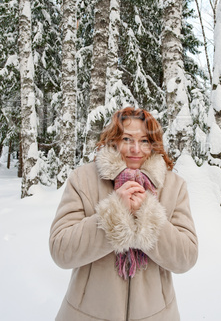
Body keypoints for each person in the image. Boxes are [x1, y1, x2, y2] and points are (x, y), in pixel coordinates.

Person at [49, 107, 198, 321]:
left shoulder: (174, 186)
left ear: (154, 144)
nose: (136, 149)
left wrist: (149, 215)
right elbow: (60, 250)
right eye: (127, 139)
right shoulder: (83, 179)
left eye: (145, 141)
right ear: (114, 140)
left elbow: (186, 257)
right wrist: (114, 213)